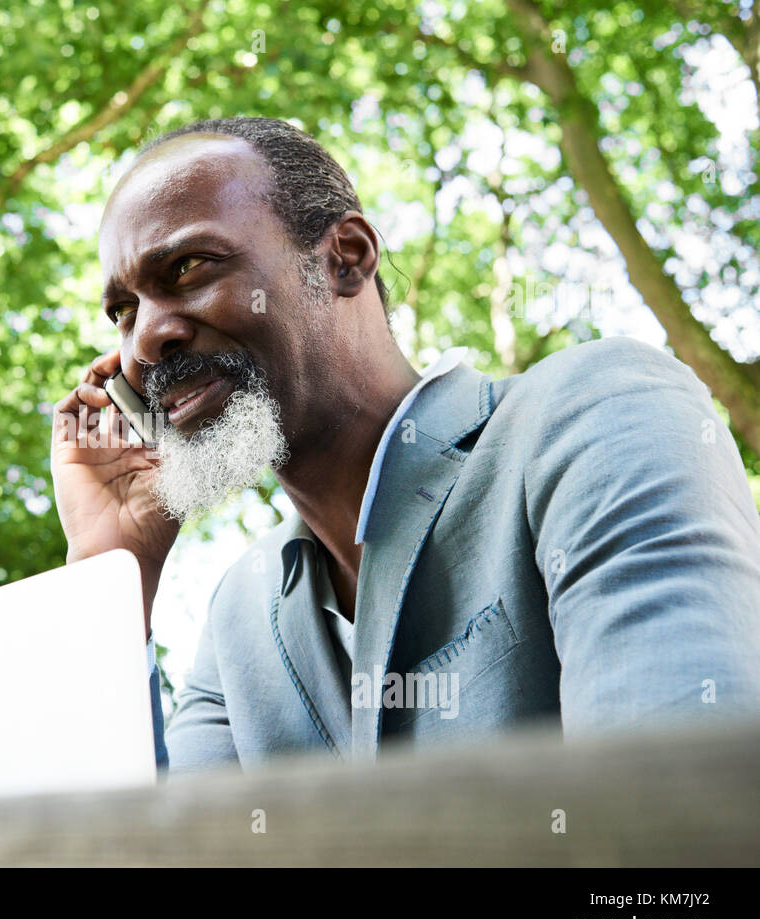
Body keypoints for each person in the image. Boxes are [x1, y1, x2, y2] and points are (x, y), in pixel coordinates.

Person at [50, 116, 760, 774]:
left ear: (346, 259)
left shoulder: (596, 413)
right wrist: (111, 571)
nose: (147, 338)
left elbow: (679, 833)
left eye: (189, 268)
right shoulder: (239, 618)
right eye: (123, 311)